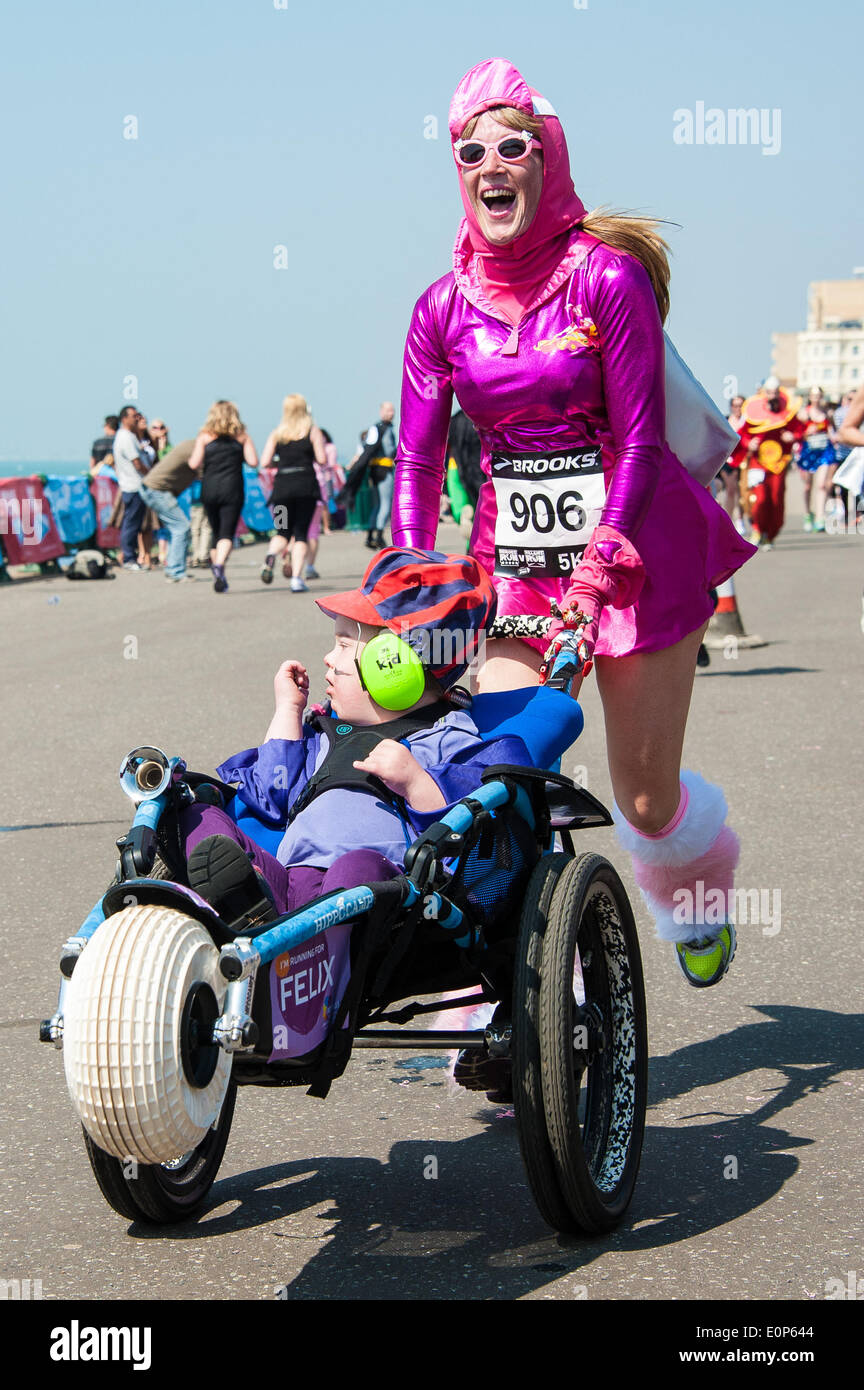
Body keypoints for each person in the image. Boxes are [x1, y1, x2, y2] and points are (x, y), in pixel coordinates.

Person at [391, 57, 757, 988]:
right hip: (514, 564)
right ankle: (519, 1011)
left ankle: (697, 891)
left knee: (642, 795)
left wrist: (603, 555)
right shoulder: (440, 311)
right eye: (471, 151)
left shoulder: (607, 280)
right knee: (500, 778)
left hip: (636, 551)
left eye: (511, 146)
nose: (490, 165)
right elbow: (420, 462)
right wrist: (405, 575)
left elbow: (640, 442)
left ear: (545, 158)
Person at [177, 548, 531, 928]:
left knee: (355, 867)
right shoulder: (326, 730)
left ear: (393, 665)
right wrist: (288, 711)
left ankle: (315, 950)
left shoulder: (445, 735)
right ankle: (244, 905)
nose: (328, 658)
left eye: (344, 645)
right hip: (286, 883)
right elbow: (270, 791)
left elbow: (475, 822)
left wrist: (416, 782)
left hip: (378, 892)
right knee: (196, 814)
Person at [187, 400, 258, 592]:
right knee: (227, 533)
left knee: (216, 533)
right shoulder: (242, 436)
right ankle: (218, 566)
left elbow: (193, 463)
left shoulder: (205, 436)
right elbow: (253, 461)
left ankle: (220, 575)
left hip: (209, 488)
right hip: (232, 488)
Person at [258, 395, 326, 592]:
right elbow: (321, 459)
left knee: (282, 531)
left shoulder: (277, 433)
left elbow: (264, 462)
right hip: (305, 488)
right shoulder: (312, 431)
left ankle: (271, 554)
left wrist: (282, 462)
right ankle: (296, 579)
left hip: (282, 489)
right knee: (301, 534)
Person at [730, 378, 807, 547]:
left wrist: (793, 437)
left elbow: (801, 429)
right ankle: (757, 529)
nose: (773, 396)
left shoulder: (787, 412)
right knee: (760, 498)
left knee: (776, 498)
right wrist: (748, 443)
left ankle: (770, 534)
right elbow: (743, 434)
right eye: (769, 393)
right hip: (759, 463)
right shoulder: (754, 412)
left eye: (775, 393)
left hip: (779, 463)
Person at [137, 439, 196, 582]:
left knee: (176, 528)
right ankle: (176, 571)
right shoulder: (198, 449)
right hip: (157, 490)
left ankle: (173, 569)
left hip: (153, 488)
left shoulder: (193, 444)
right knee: (181, 527)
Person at [112, 406, 150, 570]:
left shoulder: (129, 436)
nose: (137, 419)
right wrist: (152, 475)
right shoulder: (126, 438)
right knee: (131, 524)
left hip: (134, 486)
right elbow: (137, 463)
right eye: (134, 416)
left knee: (134, 523)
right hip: (133, 486)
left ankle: (130, 556)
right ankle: (128, 558)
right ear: (124, 418)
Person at [795, 387, 837, 532]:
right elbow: (796, 434)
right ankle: (808, 513)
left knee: (821, 485)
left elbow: (831, 430)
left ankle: (820, 518)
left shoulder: (827, 414)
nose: (816, 398)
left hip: (824, 451)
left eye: (819, 395)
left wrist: (834, 437)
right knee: (808, 486)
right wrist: (806, 432)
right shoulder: (803, 414)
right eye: (814, 396)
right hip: (808, 452)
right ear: (810, 397)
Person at [359, 403, 398, 549]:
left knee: (377, 504)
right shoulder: (385, 429)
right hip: (385, 470)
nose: (391, 413)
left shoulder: (376, 429)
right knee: (385, 504)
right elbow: (389, 449)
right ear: (381, 411)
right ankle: (379, 535)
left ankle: (370, 535)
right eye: (388, 410)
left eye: (392, 410)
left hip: (374, 471)